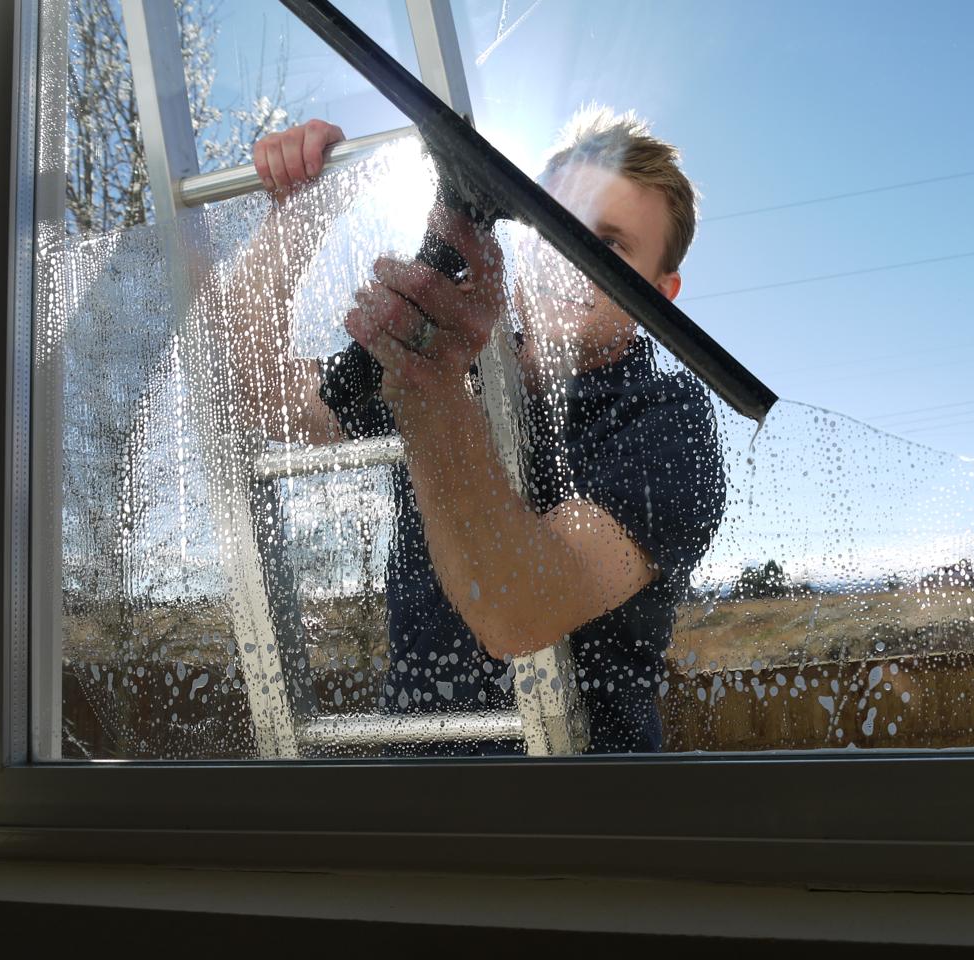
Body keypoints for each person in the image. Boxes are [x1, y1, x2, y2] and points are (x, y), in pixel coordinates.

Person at [232, 107, 726, 753]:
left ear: (662, 294)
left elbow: (518, 612)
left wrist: (431, 392)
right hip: (417, 801)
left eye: (609, 245)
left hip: (589, 819)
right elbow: (253, 393)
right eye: (557, 230)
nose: (572, 260)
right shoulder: (460, 358)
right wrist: (301, 206)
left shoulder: (663, 415)